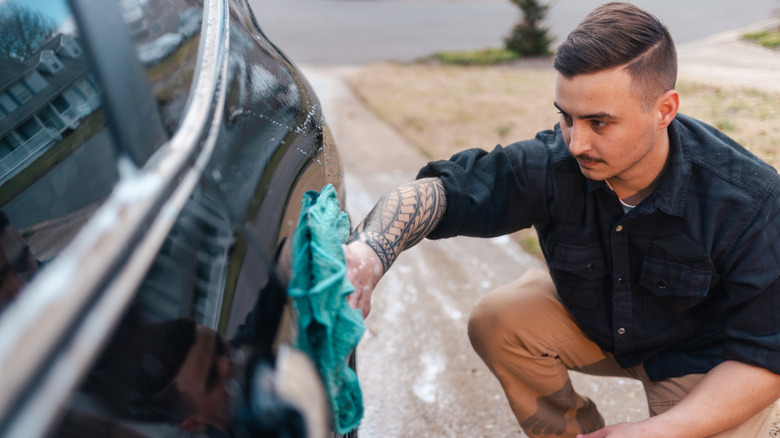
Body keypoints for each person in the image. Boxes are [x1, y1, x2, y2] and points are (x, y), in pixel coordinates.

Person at [342, 2, 780, 437]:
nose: (576, 143)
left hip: (702, 359)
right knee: (499, 320)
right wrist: (370, 251)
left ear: (664, 110)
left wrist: (657, 430)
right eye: (566, 118)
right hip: (606, 324)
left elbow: (765, 356)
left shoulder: (747, 199)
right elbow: (445, 193)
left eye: (599, 122)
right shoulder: (556, 164)